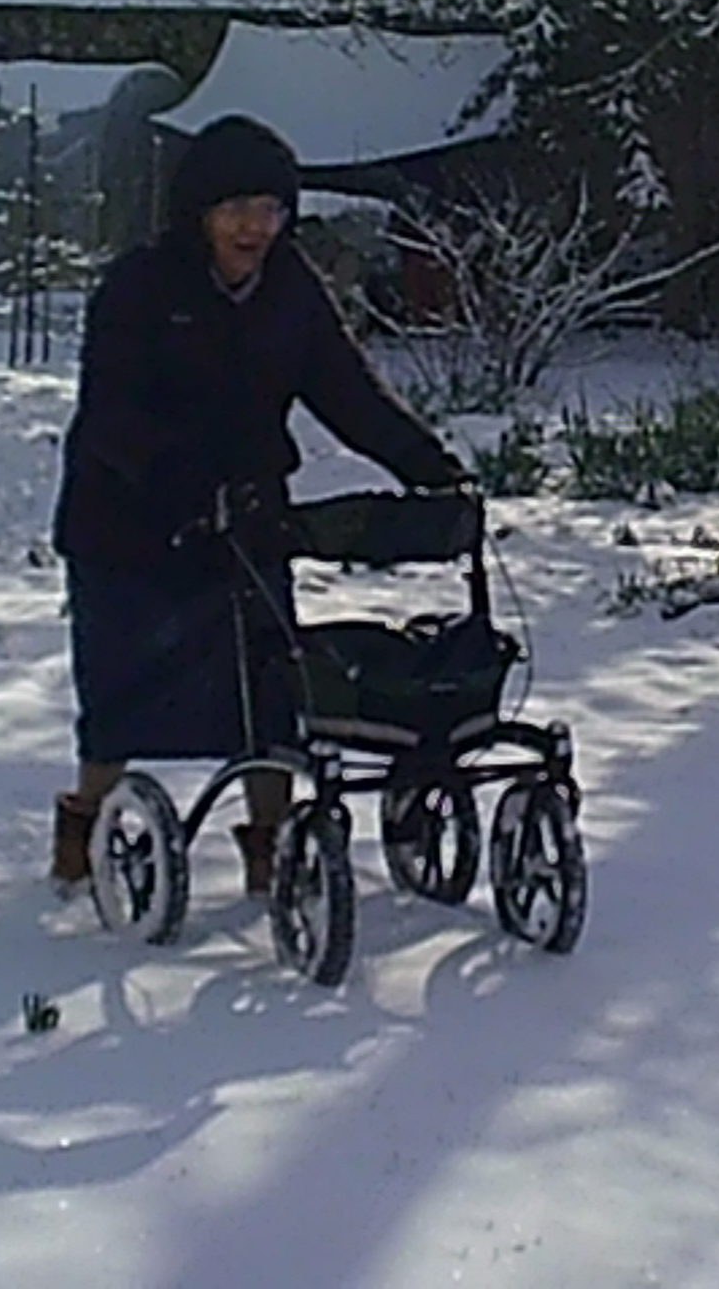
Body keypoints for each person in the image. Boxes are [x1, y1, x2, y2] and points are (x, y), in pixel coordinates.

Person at [47, 113, 465, 897]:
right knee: (122, 696)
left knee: (269, 691)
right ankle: (83, 828)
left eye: (271, 209)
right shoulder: (141, 287)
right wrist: (181, 485)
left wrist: (429, 466)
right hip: (127, 525)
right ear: (200, 212)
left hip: (246, 517)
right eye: (237, 209)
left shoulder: (289, 289)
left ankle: (270, 849)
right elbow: (112, 414)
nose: (255, 227)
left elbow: (346, 389)